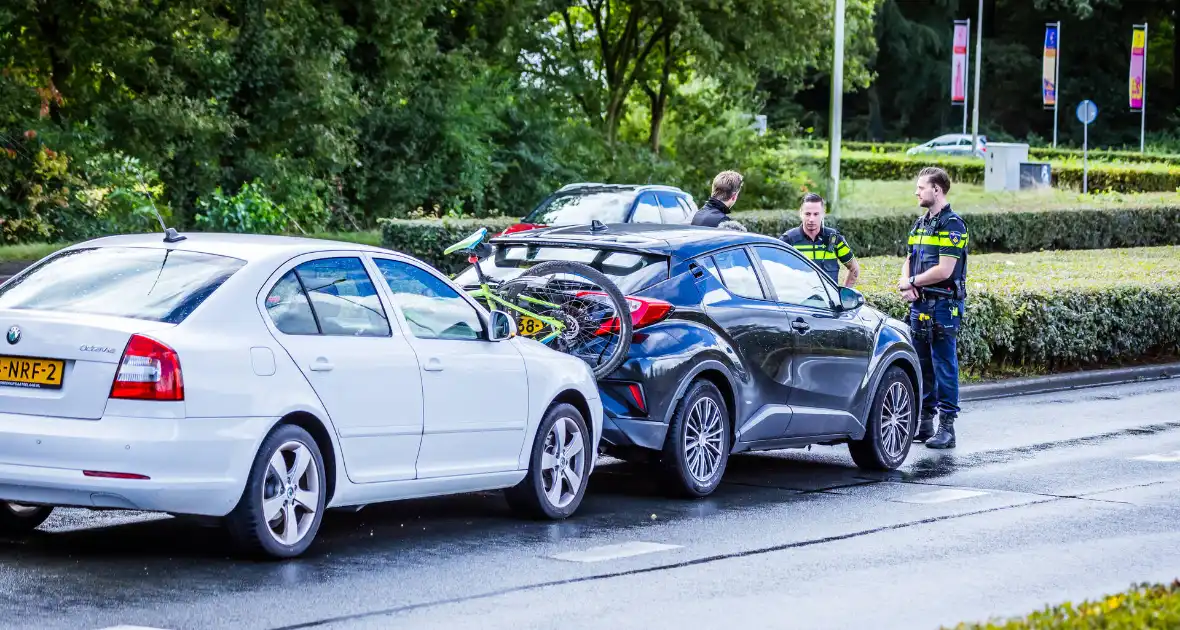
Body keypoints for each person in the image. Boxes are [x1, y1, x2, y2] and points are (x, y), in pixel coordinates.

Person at [896, 167, 969, 449]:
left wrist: (913, 281)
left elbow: (945, 269)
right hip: (920, 304)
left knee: (944, 365)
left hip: (943, 306)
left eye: (921, 187)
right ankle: (925, 423)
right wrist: (906, 281)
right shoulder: (920, 224)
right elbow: (909, 257)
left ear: (937, 190)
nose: (917, 192)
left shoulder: (953, 225)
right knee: (923, 364)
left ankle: (947, 428)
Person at [779, 193, 860, 287]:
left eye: (816, 214)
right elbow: (773, 270)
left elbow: (854, 269)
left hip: (829, 301)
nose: (811, 219)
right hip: (798, 301)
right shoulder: (788, 239)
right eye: (807, 214)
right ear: (801, 213)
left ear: (823, 214)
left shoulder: (834, 239)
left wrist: (844, 296)